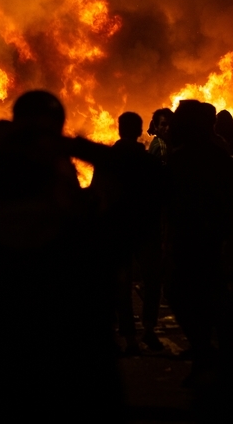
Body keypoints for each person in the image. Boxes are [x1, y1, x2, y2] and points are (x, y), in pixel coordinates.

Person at [0, 91, 122, 422]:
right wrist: (66, 145)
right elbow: (146, 179)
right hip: (80, 399)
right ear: (62, 182)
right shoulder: (88, 245)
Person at [165, 99, 233, 385]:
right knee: (196, 299)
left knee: (199, 299)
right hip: (194, 241)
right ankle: (208, 355)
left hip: (201, 242)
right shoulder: (188, 158)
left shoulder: (209, 158)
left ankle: (212, 357)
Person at [92, 111, 163, 353]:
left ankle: (130, 337)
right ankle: (149, 329)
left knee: (120, 283)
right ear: (139, 130)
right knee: (152, 279)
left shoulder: (106, 160)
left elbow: (96, 193)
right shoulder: (149, 162)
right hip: (146, 228)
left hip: (117, 228)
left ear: (120, 129)